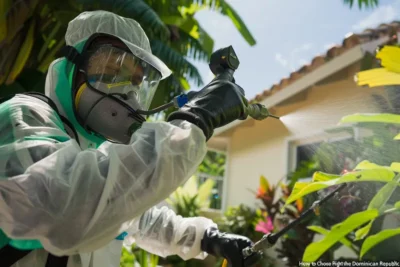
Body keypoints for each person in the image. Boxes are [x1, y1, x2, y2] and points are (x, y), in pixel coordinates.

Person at [0, 10, 262, 267]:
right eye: (113, 72)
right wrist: (195, 119)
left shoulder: (91, 150)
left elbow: (140, 218)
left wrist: (208, 239)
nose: (129, 92)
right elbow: (65, 206)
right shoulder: (23, 116)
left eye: (136, 82)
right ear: (72, 68)